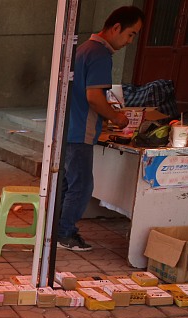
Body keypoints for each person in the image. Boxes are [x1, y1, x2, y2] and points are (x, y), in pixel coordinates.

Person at [58, 6, 143, 252]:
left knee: (68, 184)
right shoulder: (99, 54)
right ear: (116, 27)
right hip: (79, 130)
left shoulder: (84, 49)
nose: (130, 41)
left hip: (68, 127)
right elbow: (94, 97)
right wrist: (116, 117)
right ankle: (65, 234)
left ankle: (57, 230)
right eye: (131, 34)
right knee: (81, 186)